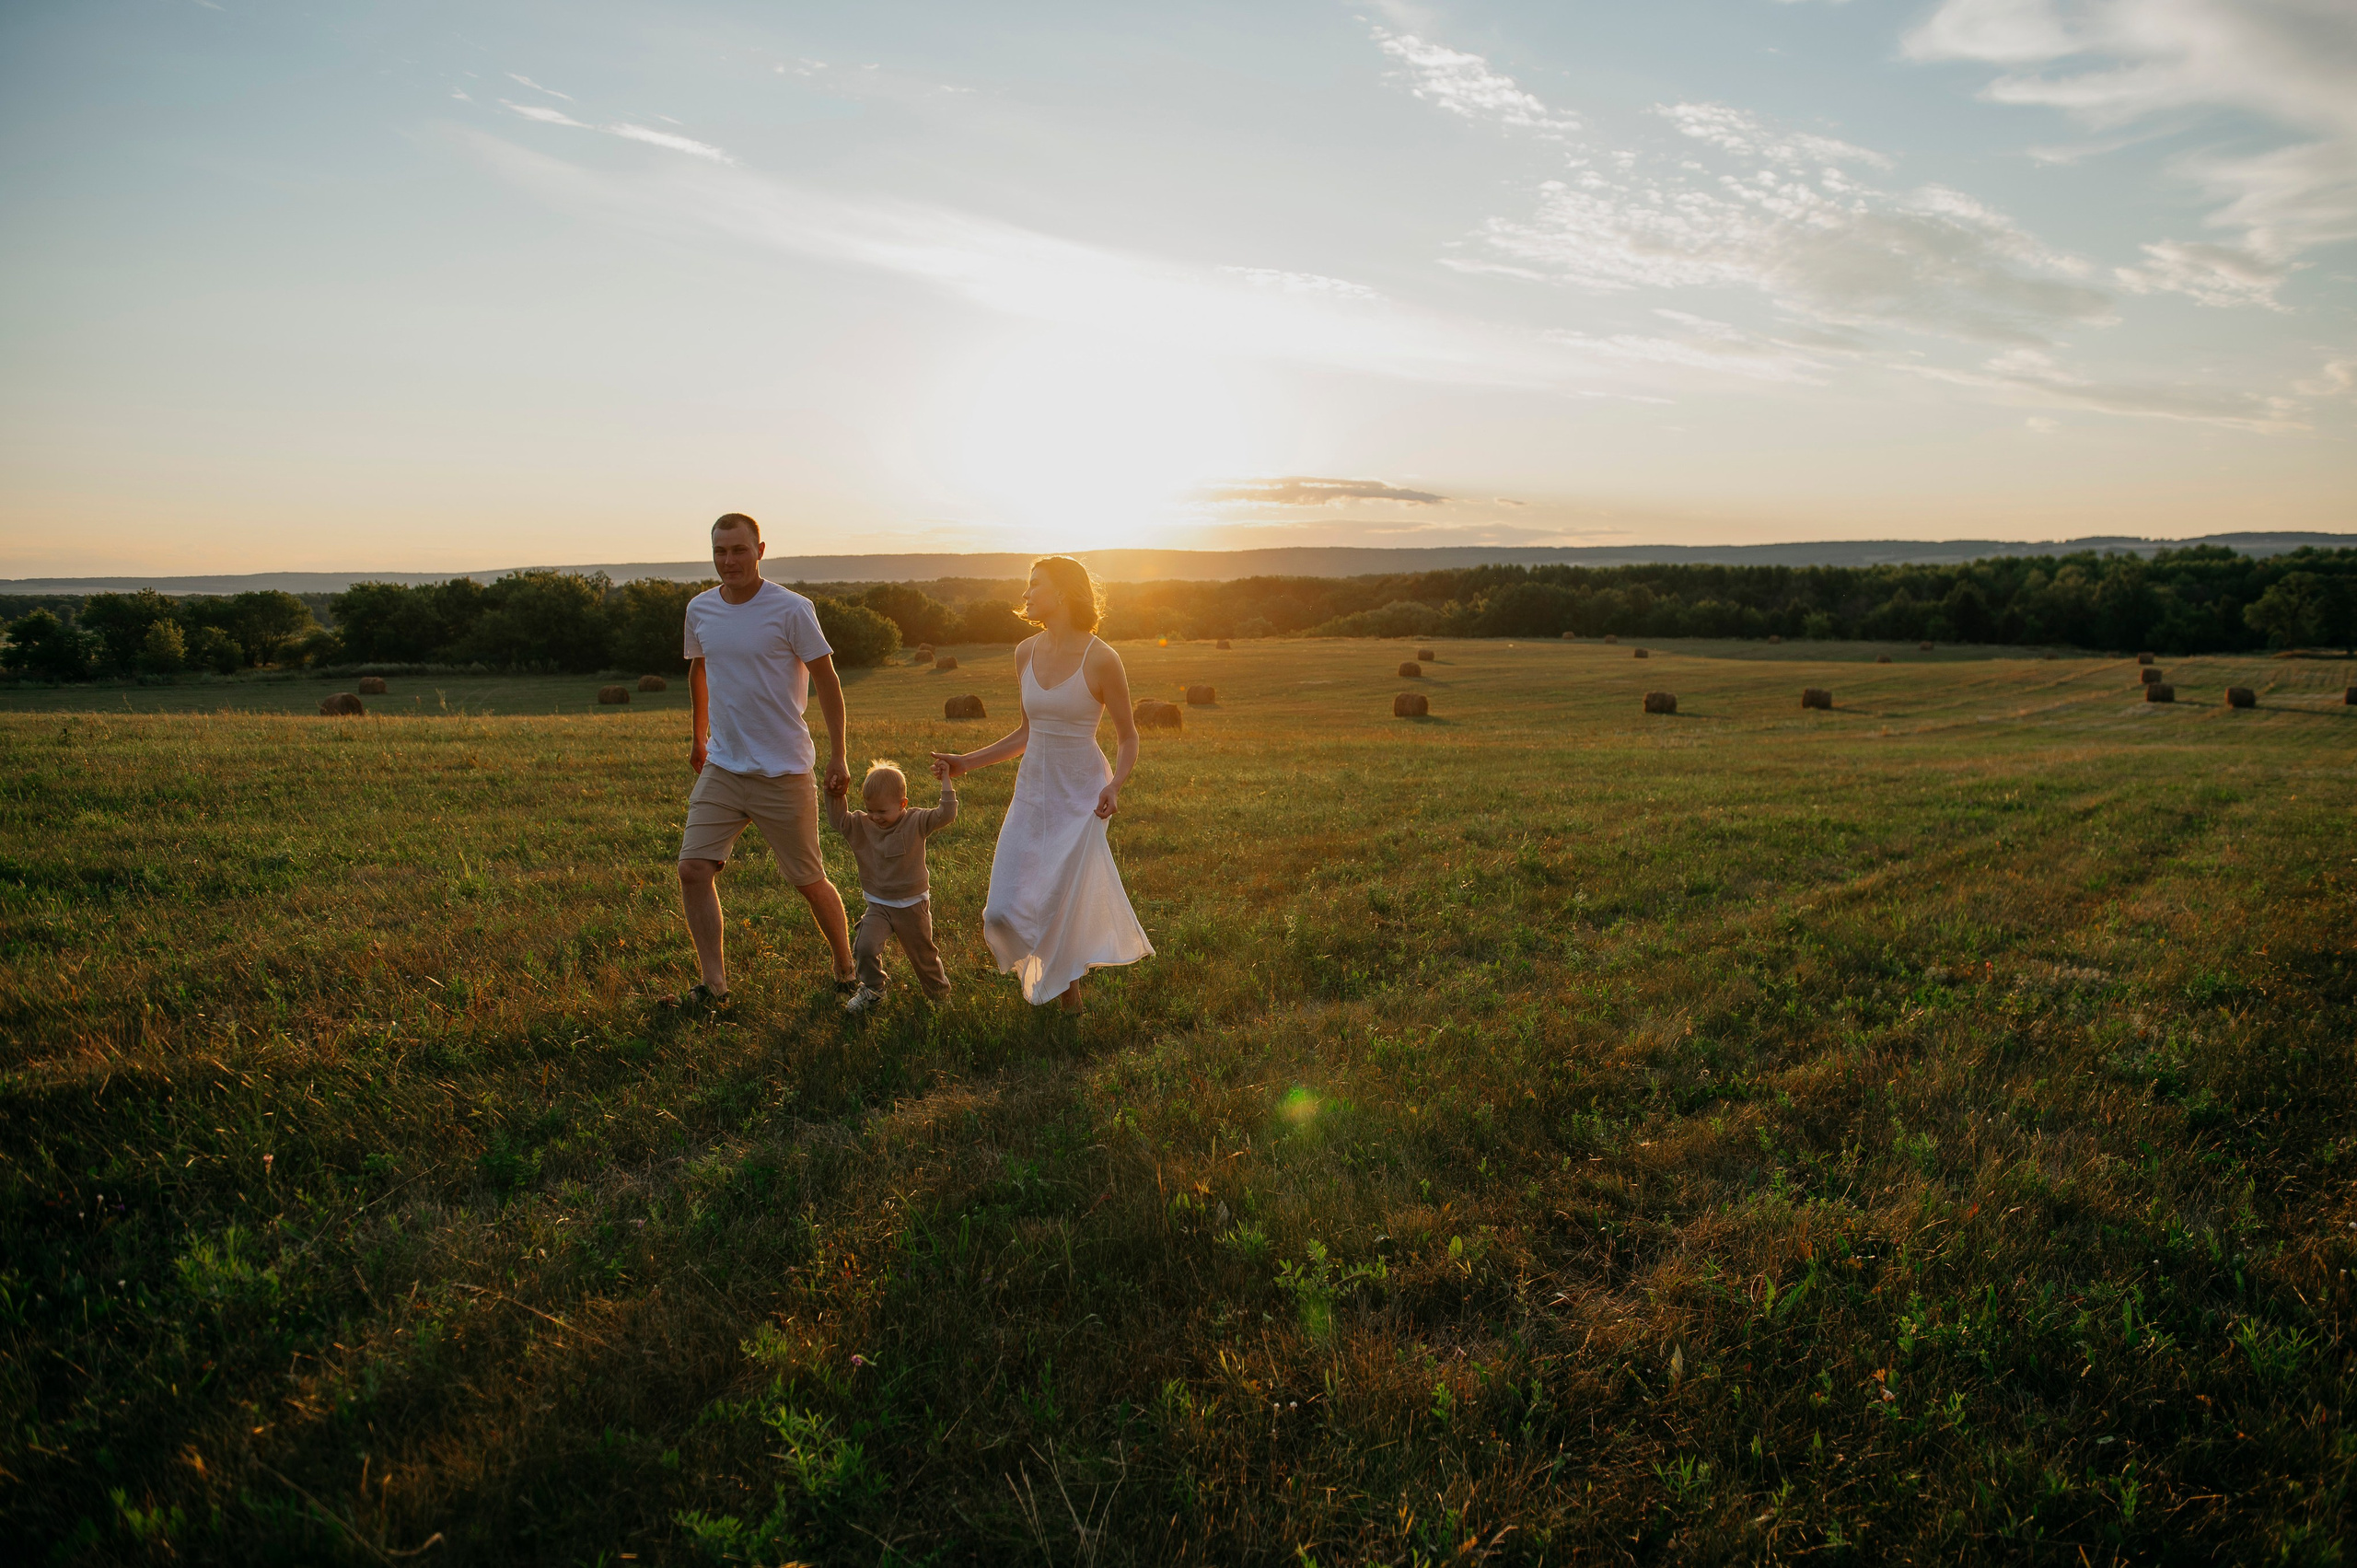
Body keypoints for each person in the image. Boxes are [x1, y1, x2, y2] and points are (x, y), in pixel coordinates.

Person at [930, 555, 1152, 1012]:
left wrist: (1117, 785)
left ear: (1064, 594)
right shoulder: (1025, 652)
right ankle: (1065, 990)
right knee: (1002, 909)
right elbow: (1028, 732)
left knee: (1057, 901)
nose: (1026, 594)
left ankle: (1069, 1003)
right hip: (1032, 791)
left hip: (1082, 797)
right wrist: (965, 763)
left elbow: (1128, 736)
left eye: (1035, 585)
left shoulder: (1103, 658)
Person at [668, 513, 856, 1008]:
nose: (729, 560)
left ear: (760, 550)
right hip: (724, 766)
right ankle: (714, 986)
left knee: (808, 881)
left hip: (784, 770)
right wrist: (698, 737)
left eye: (739, 550)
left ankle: (846, 967)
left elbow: (828, 681)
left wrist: (838, 755)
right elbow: (699, 672)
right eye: (720, 551)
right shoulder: (700, 609)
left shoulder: (792, 609)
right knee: (692, 869)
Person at [824, 759, 958, 1013]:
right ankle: (874, 989)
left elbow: (947, 813)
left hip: (912, 905)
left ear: (902, 804)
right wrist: (834, 793)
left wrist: (946, 781)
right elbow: (838, 820)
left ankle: (940, 997)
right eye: (869, 809)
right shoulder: (863, 824)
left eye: (882, 812)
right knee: (864, 946)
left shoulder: (916, 821)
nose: (874, 817)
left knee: (924, 957)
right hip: (878, 904)